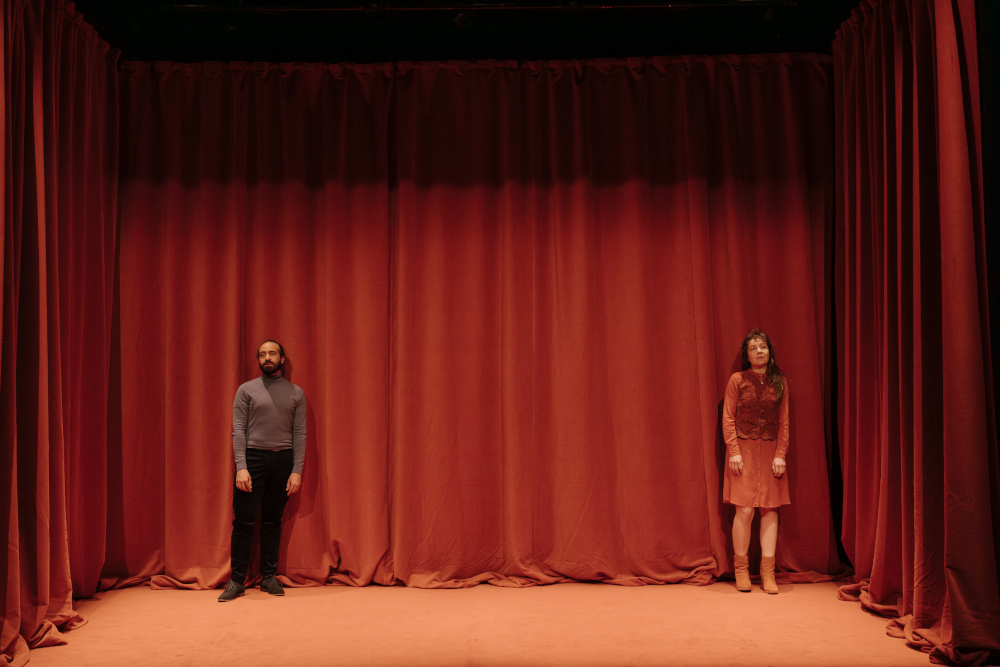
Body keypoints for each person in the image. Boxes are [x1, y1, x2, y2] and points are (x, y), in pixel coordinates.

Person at [218, 340, 306, 602]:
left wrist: (296, 470)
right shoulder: (246, 390)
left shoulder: (296, 393)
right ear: (258, 359)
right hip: (252, 460)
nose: (267, 358)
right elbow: (238, 430)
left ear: (282, 359)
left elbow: (299, 433)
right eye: (263, 354)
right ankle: (236, 581)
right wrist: (241, 467)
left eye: (273, 354)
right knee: (243, 522)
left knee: (272, 522)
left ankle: (268, 577)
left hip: (283, 461)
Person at [722, 329, 789, 594]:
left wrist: (781, 454)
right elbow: (728, 417)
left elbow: (784, 422)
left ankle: (767, 573)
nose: (759, 351)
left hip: (771, 452)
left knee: (770, 510)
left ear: (769, 352)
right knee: (745, 511)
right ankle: (741, 570)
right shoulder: (737, 380)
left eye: (762, 347)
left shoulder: (780, 381)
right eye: (753, 348)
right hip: (743, 452)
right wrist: (734, 451)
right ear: (747, 355)